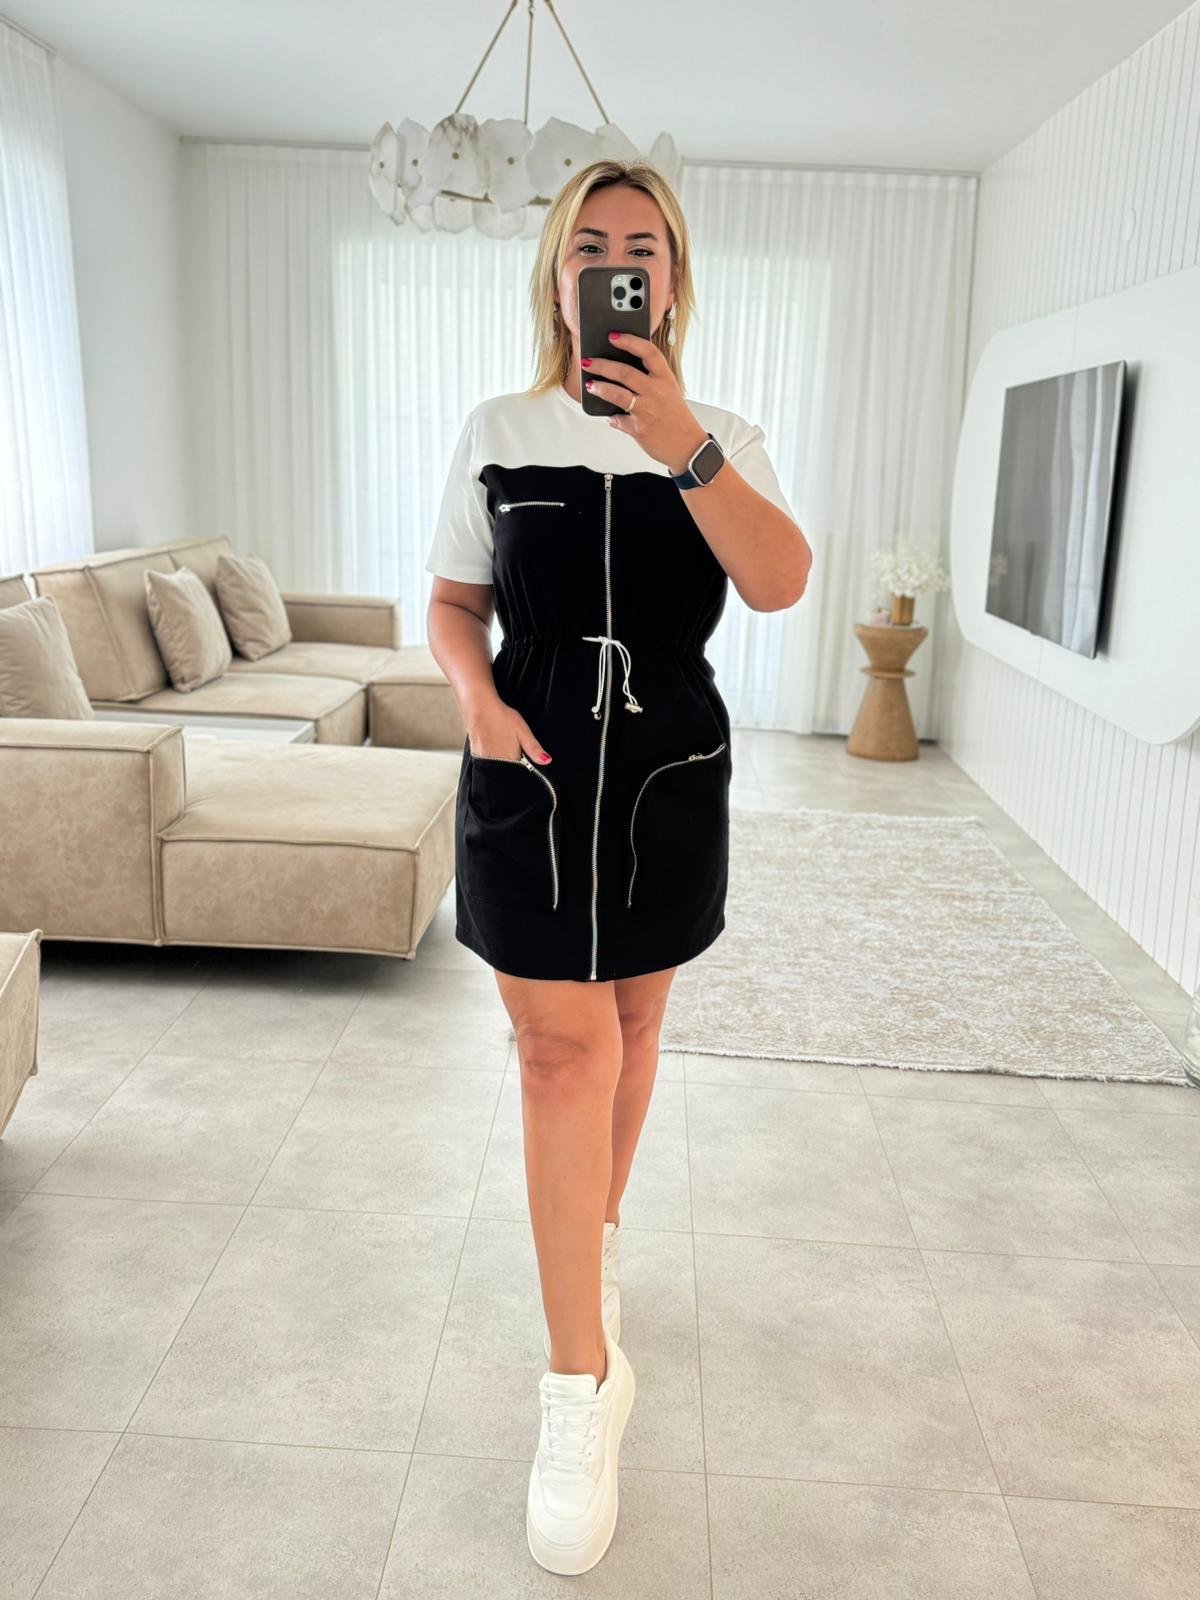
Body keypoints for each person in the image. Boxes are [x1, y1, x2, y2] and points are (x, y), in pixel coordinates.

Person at [424, 158, 811, 1574]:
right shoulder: (498, 428)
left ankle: (595, 1236)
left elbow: (778, 581)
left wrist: (681, 441)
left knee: (636, 1026)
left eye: (641, 246)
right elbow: (453, 603)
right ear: (557, 271)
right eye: (590, 243)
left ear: (673, 279)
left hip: (663, 777)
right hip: (526, 768)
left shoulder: (725, 436)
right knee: (558, 1052)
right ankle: (581, 1385)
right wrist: (476, 700)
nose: (614, 263)